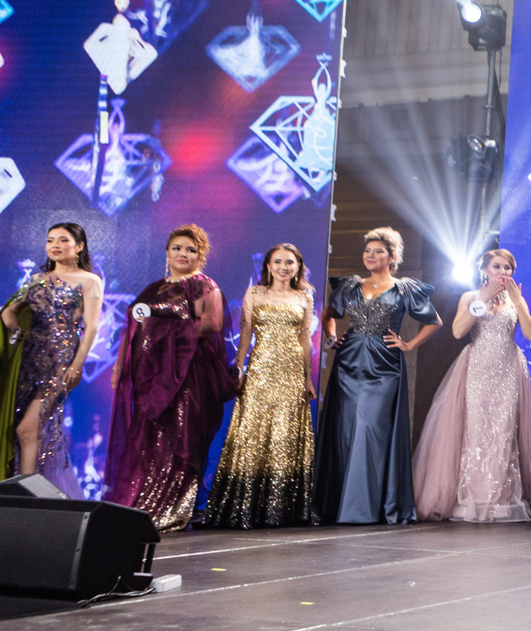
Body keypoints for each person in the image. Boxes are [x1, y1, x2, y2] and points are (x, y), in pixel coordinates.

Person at [104, 224, 236, 532]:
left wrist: (164, 325)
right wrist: (120, 366)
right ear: (167, 252)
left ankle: (175, 506)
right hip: (151, 376)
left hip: (188, 374)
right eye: (177, 248)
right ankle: (144, 502)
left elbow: (213, 324)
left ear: (200, 255)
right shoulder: (153, 290)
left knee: (183, 436)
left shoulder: (204, 286)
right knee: (149, 438)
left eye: (191, 249)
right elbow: (132, 329)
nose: (183, 254)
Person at [316, 228, 441, 525]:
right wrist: (331, 339)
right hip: (348, 364)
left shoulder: (404, 289)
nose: (370, 256)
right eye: (367, 251)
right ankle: (342, 504)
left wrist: (408, 344)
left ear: (392, 257)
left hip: (384, 366)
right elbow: (328, 315)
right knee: (346, 430)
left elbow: (434, 321)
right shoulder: (350, 286)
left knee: (370, 428)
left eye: (378, 252)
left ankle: (366, 506)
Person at [414, 248, 531, 523]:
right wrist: (482, 299)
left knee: (503, 432)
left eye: (508, 268)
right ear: (484, 270)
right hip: (477, 369)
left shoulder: (516, 299)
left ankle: (500, 500)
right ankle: (472, 498)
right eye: (497, 266)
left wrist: (519, 303)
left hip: (507, 370)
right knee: (474, 431)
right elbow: (458, 331)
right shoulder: (470, 297)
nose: (503, 272)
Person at [202, 244, 319, 528]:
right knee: (251, 435)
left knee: (285, 436)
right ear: (268, 266)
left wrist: (307, 378)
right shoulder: (255, 293)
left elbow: (305, 340)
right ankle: (245, 507)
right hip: (260, 370)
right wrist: (239, 369)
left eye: (289, 262)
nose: (283, 267)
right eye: (277, 262)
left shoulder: (305, 296)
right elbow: (245, 335)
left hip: (292, 372)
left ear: (298, 267)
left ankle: (280, 509)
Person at [0, 223, 103, 495]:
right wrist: (15, 331)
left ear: (79, 246)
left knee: (27, 429)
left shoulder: (89, 280)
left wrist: (76, 365)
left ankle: (27, 497)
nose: (55, 245)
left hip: (60, 361)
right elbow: (9, 311)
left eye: (63, 240)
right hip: (28, 359)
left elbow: (92, 327)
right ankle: (25, 492)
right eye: (50, 240)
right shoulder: (38, 279)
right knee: (18, 429)